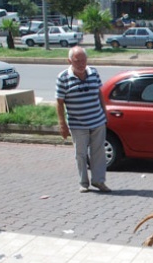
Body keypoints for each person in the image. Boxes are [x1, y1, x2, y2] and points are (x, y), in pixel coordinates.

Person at [56, 46, 111, 193]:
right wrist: (62, 124)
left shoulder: (93, 73)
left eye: (83, 60)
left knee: (98, 153)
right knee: (80, 154)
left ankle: (99, 181)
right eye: (77, 61)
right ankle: (83, 182)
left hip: (97, 120)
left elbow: (99, 94)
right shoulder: (63, 78)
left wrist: (104, 114)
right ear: (69, 61)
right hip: (78, 124)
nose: (81, 64)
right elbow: (59, 102)